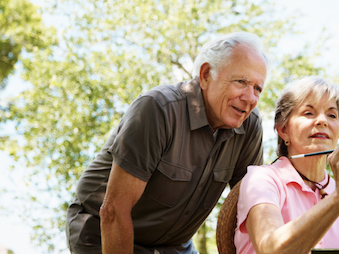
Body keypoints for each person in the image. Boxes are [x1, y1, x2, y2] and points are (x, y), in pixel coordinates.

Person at [65, 32, 269, 254]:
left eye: (258, 88)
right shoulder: (157, 109)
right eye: (241, 82)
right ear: (206, 74)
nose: (250, 98)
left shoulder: (250, 126)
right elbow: (114, 210)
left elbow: (249, 210)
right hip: (102, 233)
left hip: (174, 247)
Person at [235, 76, 339, 254]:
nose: (322, 121)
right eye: (308, 113)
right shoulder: (262, 179)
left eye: (332, 115)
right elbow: (270, 250)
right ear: (283, 130)